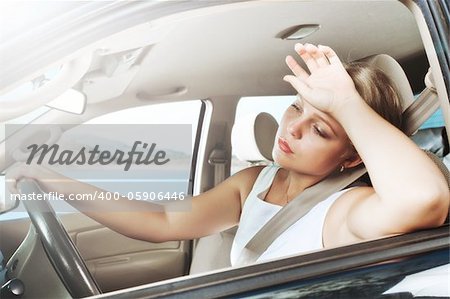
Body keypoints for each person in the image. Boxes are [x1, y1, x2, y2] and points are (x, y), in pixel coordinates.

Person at [7, 44, 449, 266]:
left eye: (319, 127)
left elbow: (424, 200)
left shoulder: (347, 209)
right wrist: (54, 181)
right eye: (296, 106)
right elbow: (163, 222)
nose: (292, 127)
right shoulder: (255, 182)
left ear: (351, 158)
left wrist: (348, 106)